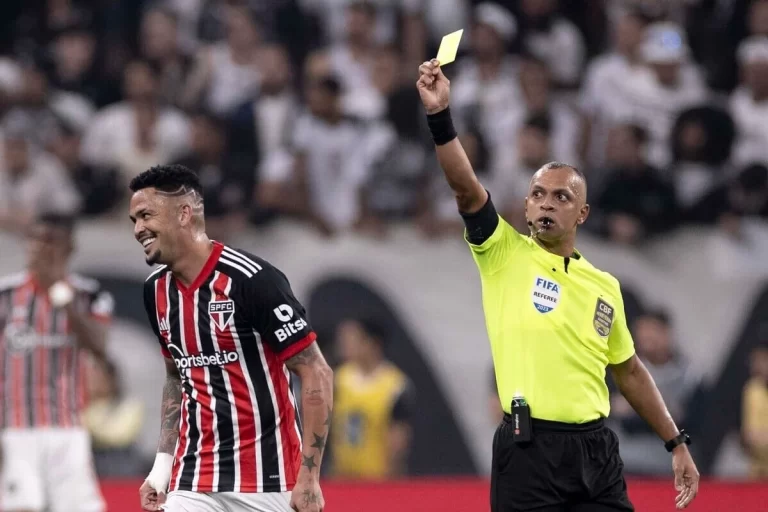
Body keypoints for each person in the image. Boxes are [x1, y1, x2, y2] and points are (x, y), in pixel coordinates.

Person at [416, 59, 700, 511]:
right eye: (537, 195)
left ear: (581, 214)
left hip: (595, 451)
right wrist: (439, 117)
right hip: (528, 454)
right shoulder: (502, 252)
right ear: (526, 209)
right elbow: (466, 189)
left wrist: (676, 442)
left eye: (562, 196)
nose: (547, 203)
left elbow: (628, 372)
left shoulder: (604, 285)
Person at [130, 165, 333, 512]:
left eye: (146, 215)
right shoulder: (156, 292)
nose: (138, 229)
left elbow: (316, 372)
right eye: (133, 220)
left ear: (183, 213)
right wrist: (162, 467)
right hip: (193, 480)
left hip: (269, 480)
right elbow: (177, 376)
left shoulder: (252, 281)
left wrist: (309, 477)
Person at [0, 212, 113, 512]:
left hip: (68, 429)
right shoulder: (5, 295)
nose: (39, 247)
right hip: (16, 429)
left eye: (50, 241)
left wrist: (58, 293)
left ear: (69, 247)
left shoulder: (89, 296)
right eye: (34, 239)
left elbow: (99, 347)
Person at [329, 318, 415, 479]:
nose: (347, 346)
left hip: (377, 477)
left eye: (354, 340)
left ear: (373, 343)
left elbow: (398, 435)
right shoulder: (339, 378)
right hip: (341, 476)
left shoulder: (395, 385)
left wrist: (393, 473)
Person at [741, 342, 768, 479]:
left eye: (763, 360)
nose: (757, 366)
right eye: (755, 360)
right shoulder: (752, 389)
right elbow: (750, 437)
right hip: (758, 474)